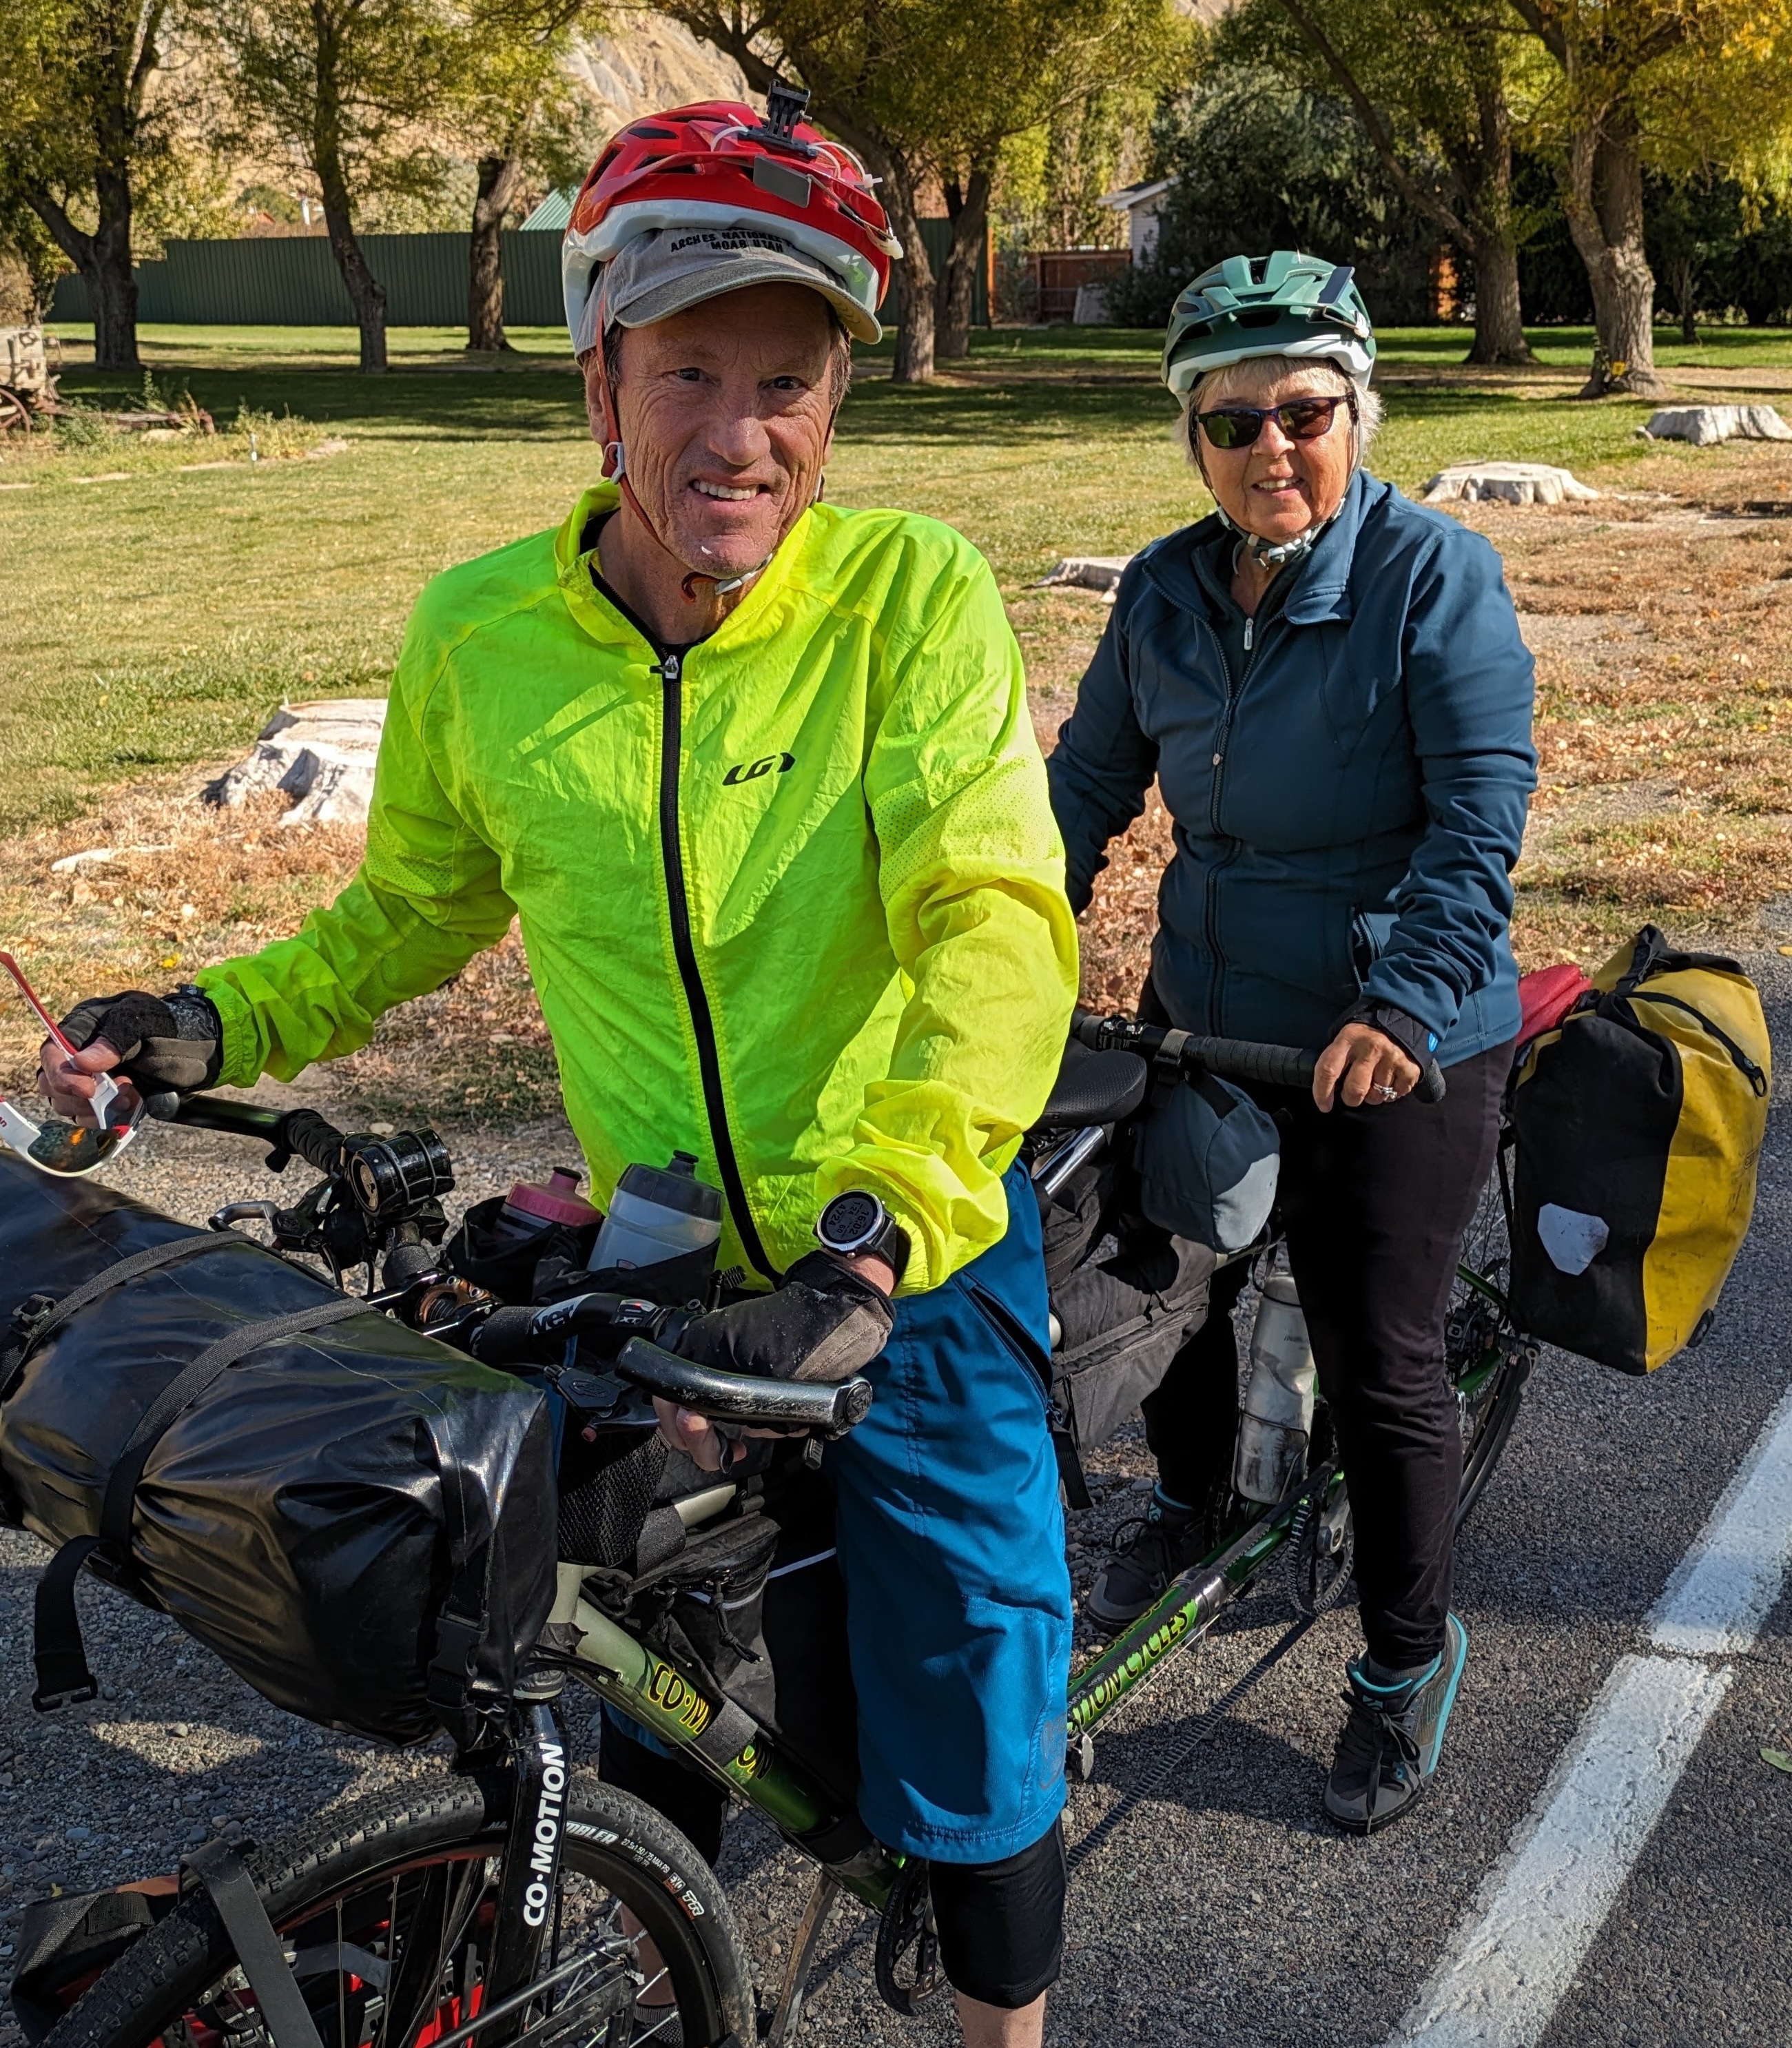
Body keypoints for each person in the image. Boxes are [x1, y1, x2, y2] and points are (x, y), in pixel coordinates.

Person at [41, 92, 1079, 2045]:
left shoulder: (908, 599)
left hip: (908, 1240)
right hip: (659, 1251)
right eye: (688, 371)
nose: (737, 434)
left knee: (975, 1683)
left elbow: (993, 919)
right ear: (598, 377)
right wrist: (210, 1020)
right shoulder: (484, 635)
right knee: (617, 1659)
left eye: (786, 381)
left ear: (836, 404)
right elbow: (404, 916)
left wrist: (876, 1240)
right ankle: (653, 1950)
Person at [1047, 251, 1536, 1835]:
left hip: (1397, 1032)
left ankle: (1403, 1658)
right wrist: (1005, 938)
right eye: (1232, 420)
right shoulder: (1161, 591)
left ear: (1355, 415)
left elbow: (1475, 819)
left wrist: (1397, 1005)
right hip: (1208, 1014)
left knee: (1376, 1346)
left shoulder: (1432, 579)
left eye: (1303, 413)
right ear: (1190, 437)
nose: (1270, 447)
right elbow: (1083, 787)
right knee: (1166, 1281)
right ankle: (1190, 1503)